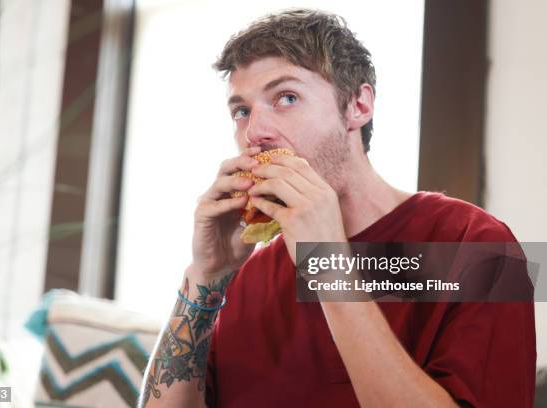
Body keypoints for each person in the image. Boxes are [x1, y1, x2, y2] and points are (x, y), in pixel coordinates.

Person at [140, 8, 535, 408]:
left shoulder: (478, 247)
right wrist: (207, 275)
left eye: (286, 98)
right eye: (241, 111)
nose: (254, 133)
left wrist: (326, 265)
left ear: (358, 106)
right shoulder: (244, 275)